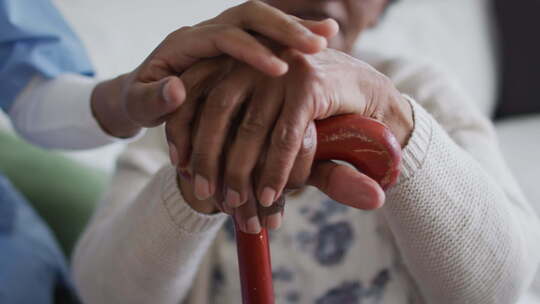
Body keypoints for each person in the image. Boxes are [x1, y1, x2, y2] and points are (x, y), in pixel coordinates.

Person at [72, 0, 540, 303]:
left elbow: (501, 288)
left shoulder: (422, 90)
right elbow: (103, 292)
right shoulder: (183, 113)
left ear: (379, 11)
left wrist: (390, 114)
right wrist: (199, 178)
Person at [0, 0, 332, 302]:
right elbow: (105, 293)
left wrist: (126, 98)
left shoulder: (383, 94)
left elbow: (29, 86)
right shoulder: (177, 128)